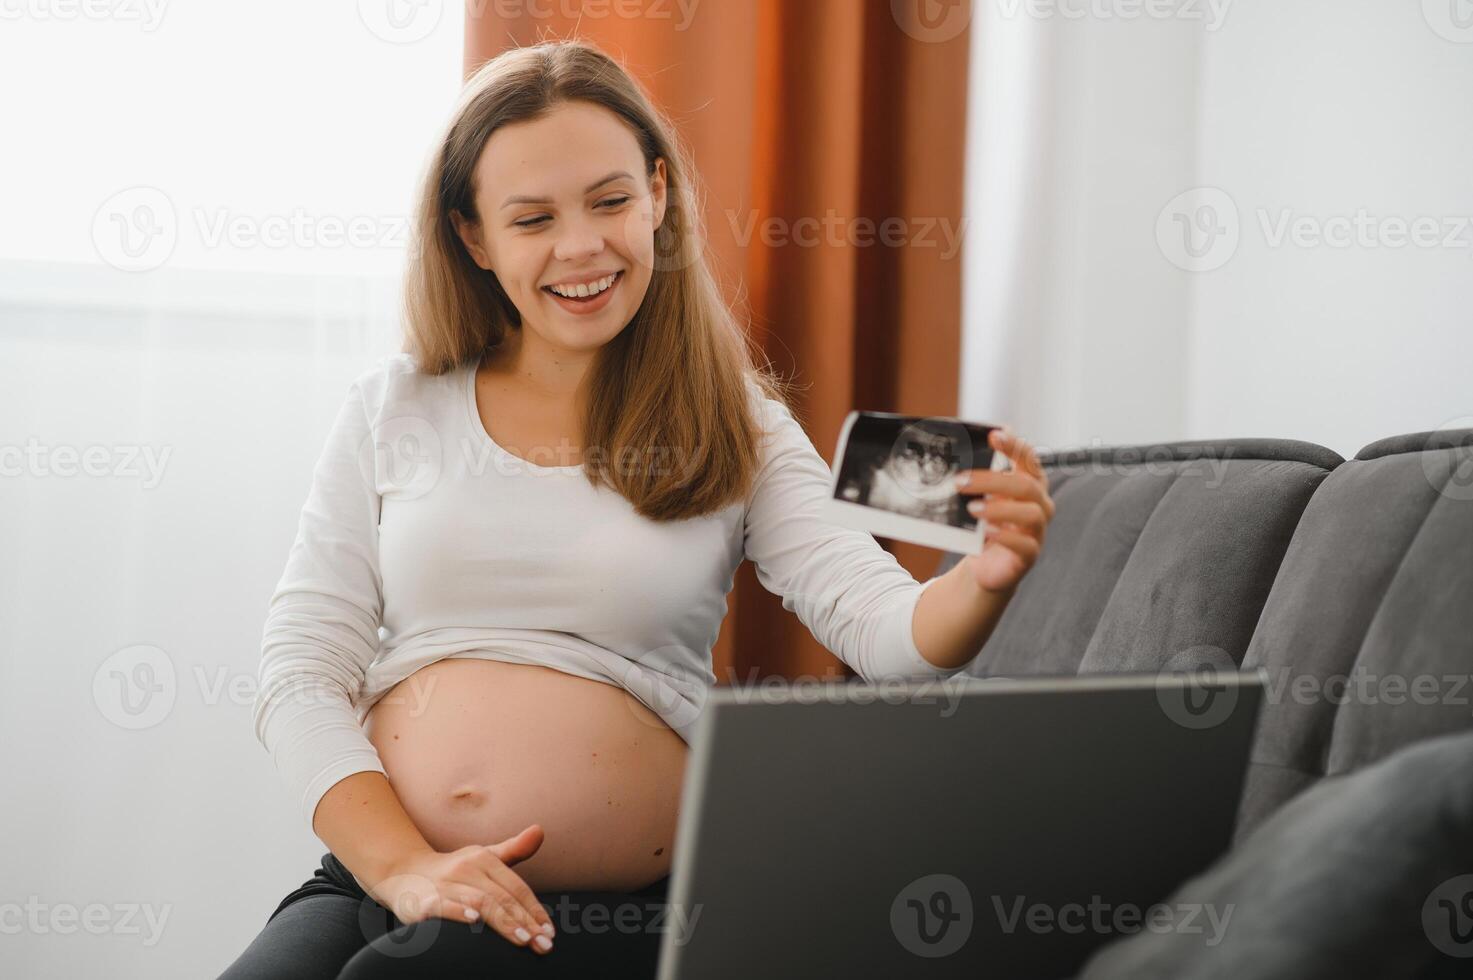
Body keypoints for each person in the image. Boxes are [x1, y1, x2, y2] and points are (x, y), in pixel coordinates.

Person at [220, 37, 1054, 980]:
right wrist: (405, 866)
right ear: (473, 236)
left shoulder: (737, 424)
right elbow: (299, 669)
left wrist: (981, 580)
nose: (581, 246)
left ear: (658, 195)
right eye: (532, 218)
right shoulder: (395, 405)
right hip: (383, 873)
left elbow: (883, 631)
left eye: (610, 201)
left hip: (618, 915)